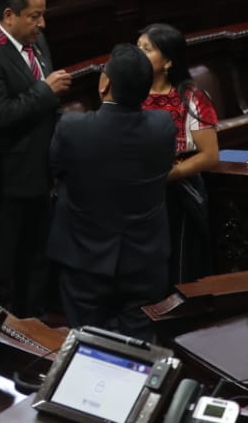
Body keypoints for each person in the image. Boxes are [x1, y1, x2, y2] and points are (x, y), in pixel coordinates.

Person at [47, 44, 175, 342]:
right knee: (142, 348)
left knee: (87, 344)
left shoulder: (72, 127)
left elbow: (54, 170)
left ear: (105, 84)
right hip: (146, 260)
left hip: (85, 259)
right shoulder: (163, 126)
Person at [0, 0, 70, 317]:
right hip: (3, 184)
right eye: (34, 16)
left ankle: (35, 322)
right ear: (9, 15)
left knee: (37, 258)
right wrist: (46, 91)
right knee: (5, 265)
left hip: (38, 175)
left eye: (43, 15)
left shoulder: (36, 43)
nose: (42, 24)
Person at [137, 23, 219, 286]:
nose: (138, 55)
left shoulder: (191, 96)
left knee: (178, 266)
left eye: (147, 49)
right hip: (138, 192)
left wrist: (172, 174)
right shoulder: (129, 93)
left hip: (178, 191)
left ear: (169, 61)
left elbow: (209, 155)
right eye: (137, 48)